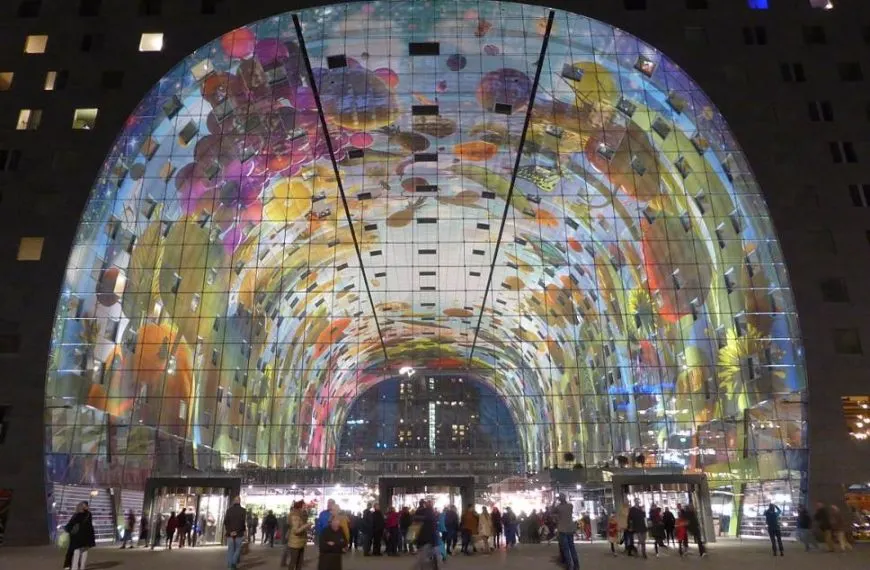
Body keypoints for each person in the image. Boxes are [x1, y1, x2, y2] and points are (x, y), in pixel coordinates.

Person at [63, 501, 96, 570]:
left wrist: (66, 529)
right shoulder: (89, 514)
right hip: (87, 537)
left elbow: (70, 525)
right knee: (84, 552)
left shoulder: (77, 515)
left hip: (77, 537)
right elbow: (89, 526)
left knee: (76, 552)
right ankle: (82, 567)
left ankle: (74, 568)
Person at [282, 500, 311, 570]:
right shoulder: (295, 516)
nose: (305, 507)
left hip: (300, 541)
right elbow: (296, 531)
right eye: (304, 506)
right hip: (295, 543)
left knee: (299, 562)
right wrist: (306, 525)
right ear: (299, 507)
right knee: (294, 561)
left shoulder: (301, 514)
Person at [555, 494, 579, 570]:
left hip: (562, 530)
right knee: (572, 548)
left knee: (566, 549)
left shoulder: (558, 507)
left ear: (559, 499)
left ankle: (569, 566)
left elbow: (551, 511)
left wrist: (553, 501)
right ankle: (577, 566)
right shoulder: (570, 506)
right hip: (570, 529)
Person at [224, 496, 247, 570]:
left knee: (230, 549)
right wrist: (239, 531)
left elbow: (226, 522)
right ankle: (233, 562)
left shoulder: (229, 510)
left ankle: (230, 566)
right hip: (239, 533)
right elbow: (242, 523)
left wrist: (230, 531)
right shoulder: (243, 510)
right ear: (239, 501)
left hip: (230, 533)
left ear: (234, 501)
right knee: (237, 549)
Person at [413, 499, 436, 570]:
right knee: (426, 556)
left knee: (423, 555)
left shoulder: (418, 512)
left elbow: (415, 524)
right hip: (428, 538)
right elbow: (433, 526)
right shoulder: (430, 513)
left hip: (420, 537)